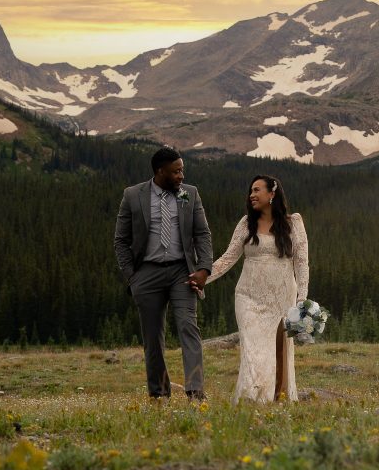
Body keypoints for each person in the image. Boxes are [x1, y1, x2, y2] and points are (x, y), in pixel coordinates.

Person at [195, 173, 308, 402]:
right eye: (251, 191)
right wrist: (203, 277)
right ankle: (251, 400)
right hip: (248, 296)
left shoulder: (293, 223)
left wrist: (302, 300)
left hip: (281, 298)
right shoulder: (246, 223)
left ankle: (277, 399)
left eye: (257, 190)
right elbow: (228, 258)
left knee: (278, 351)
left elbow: (301, 262)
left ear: (272, 194)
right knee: (253, 350)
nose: (252, 195)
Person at [112, 146, 214, 399]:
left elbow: (202, 234)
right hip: (146, 274)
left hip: (183, 272)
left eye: (182, 170)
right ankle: (159, 394)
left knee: (188, 328)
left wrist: (204, 269)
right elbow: (121, 240)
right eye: (176, 171)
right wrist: (131, 276)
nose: (181, 176)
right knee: (153, 338)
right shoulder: (133, 195)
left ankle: (195, 392)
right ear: (160, 171)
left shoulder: (190, 194)